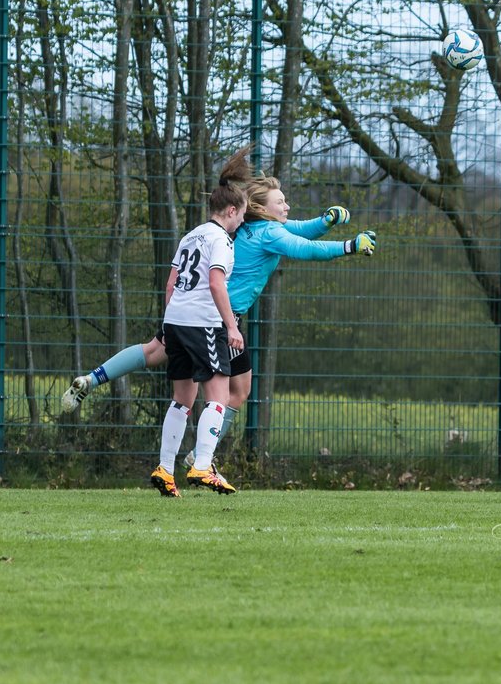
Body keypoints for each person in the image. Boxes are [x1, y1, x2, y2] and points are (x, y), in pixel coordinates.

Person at [62, 147, 376, 467]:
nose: (287, 206)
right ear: (259, 207)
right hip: (221, 319)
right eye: (281, 202)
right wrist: (350, 246)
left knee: (154, 351)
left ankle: (92, 378)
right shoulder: (269, 233)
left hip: (187, 309)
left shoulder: (252, 227)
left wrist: (326, 221)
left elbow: (300, 230)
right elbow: (304, 248)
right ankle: (200, 458)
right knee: (236, 392)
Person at [150, 177, 247, 497]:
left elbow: (170, 284)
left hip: (175, 320)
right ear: (231, 211)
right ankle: (203, 464)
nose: (242, 221)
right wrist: (230, 326)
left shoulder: (190, 236)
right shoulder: (220, 239)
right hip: (202, 323)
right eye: (242, 215)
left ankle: (165, 470)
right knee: (218, 396)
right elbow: (216, 283)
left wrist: (169, 322)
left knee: (182, 400)